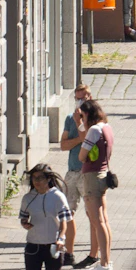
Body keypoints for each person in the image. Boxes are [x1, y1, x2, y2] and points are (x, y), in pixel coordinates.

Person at [17, 163, 74, 270]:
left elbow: (65, 222)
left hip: (52, 245)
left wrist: (61, 238)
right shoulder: (28, 198)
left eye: (40, 178)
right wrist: (25, 224)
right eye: (34, 178)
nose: (37, 182)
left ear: (49, 179)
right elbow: (23, 218)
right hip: (33, 245)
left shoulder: (57, 197)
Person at [72, 100, 114, 270]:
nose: (82, 119)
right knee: (103, 219)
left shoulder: (94, 130)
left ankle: (103, 264)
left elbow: (82, 156)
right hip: (103, 173)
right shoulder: (106, 127)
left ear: (88, 114)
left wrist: (82, 126)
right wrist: (79, 123)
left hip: (92, 176)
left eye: (82, 115)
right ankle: (106, 260)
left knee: (97, 221)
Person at [57, 84, 94, 217]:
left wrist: (79, 133)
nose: (80, 103)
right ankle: (68, 238)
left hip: (88, 172)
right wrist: (79, 138)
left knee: (92, 212)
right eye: (77, 99)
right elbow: (63, 145)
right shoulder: (70, 119)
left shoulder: (94, 121)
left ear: (90, 98)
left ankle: (95, 238)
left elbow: (87, 142)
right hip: (72, 171)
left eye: (83, 99)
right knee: (67, 212)